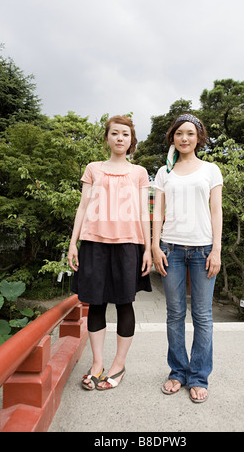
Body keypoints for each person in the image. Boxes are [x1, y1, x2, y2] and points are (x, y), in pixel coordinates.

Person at [67, 115, 152, 391]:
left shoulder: (139, 172)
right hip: (93, 243)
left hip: (128, 244)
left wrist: (148, 248)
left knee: (125, 303)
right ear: (107, 138)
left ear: (131, 141)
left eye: (125, 134)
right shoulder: (93, 169)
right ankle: (97, 364)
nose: (119, 138)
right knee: (96, 302)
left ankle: (119, 364)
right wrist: (73, 243)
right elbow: (83, 207)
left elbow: (143, 213)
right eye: (114, 133)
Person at [152, 113, 223, 403]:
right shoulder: (163, 172)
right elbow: (157, 212)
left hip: (203, 249)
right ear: (173, 137)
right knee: (175, 314)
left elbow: (216, 210)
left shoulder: (210, 170)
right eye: (180, 133)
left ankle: (198, 377)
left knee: (203, 316)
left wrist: (217, 249)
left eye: (190, 134)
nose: (185, 138)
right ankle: (178, 372)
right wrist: (155, 246)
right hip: (171, 250)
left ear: (199, 138)